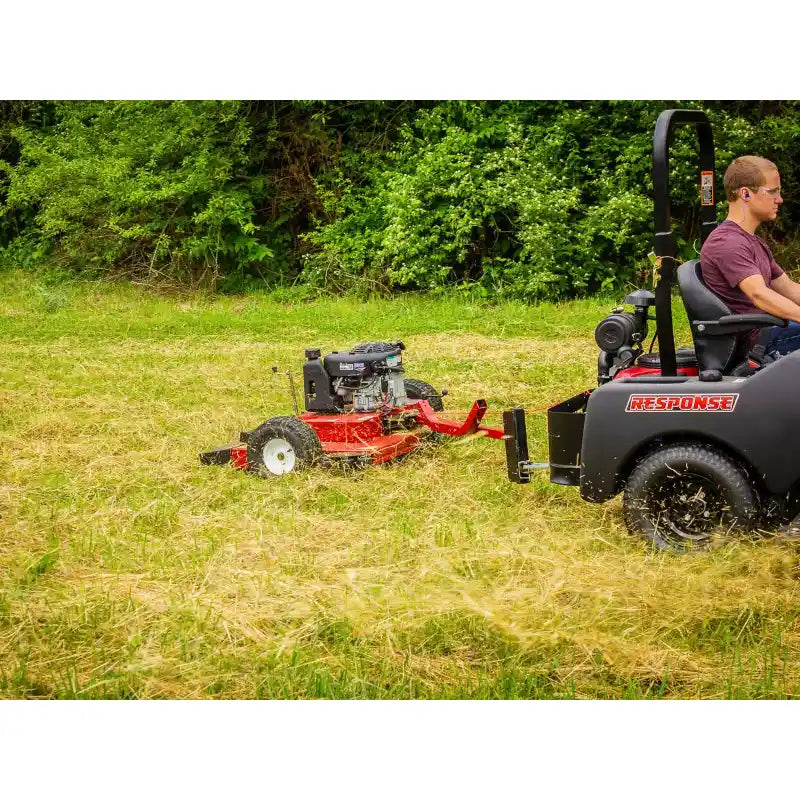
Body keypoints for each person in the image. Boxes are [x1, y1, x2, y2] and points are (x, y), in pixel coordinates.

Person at [700, 155, 800, 356]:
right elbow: (759, 295)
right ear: (745, 194)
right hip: (757, 344)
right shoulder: (727, 242)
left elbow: (789, 289)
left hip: (771, 331)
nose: (779, 199)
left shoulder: (752, 242)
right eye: (772, 192)